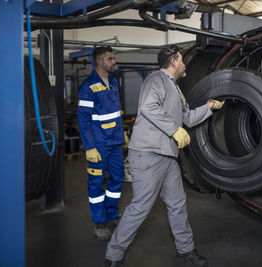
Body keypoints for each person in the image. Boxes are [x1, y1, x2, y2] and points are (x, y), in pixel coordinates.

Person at [105, 45, 224, 267]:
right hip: (148, 154)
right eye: (182, 60)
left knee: (177, 202)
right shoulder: (155, 80)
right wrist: (173, 130)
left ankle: (185, 249)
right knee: (141, 206)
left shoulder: (175, 88)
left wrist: (209, 108)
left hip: (167, 155)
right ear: (173, 62)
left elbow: (187, 117)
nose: (185, 64)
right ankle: (113, 255)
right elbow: (149, 107)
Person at [77, 46, 128, 240]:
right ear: (99, 61)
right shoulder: (88, 86)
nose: (114, 62)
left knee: (117, 178)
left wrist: (122, 134)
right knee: (96, 184)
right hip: (98, 145)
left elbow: (116, 113)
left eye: (113, 58)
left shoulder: (113, 83)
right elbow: (83, 119)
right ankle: (99, 222)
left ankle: (112, 215)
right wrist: (89, 147)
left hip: (115, 143)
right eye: (110, 59)